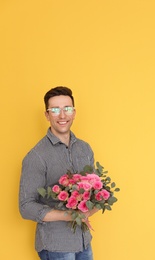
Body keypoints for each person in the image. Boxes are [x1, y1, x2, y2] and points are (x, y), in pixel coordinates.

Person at [19, 86, 98, 260]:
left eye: (67, 108)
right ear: (47, 115)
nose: (62, 115)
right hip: (56, 246)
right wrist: (70, 215)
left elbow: (95, 193)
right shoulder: (36, 156)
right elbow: (26, 207)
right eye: (55, 110)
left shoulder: (85, 149)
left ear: (74, 112)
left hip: (84, 241)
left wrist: (87, 211)